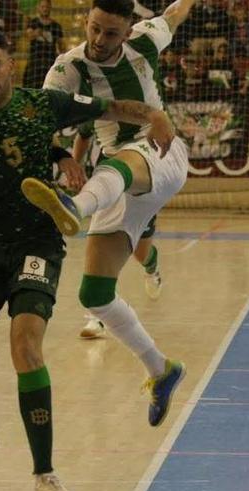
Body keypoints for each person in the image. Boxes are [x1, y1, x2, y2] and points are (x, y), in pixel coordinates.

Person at [0, 26, 175, 491]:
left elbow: (109, 107)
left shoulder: (42, 104)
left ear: (11, 65)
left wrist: (154, 114)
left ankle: (43, 472)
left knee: (25, 348)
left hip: (37, 242)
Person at [25, 0, 196, 427]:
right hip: (117, 174)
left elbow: (175, 14)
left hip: (161, 153)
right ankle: (161, 370)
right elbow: (37, 125)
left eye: (111, 33)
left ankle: (73, 207)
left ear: (128, 31)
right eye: (95, 29)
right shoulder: (66, 70)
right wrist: (61, 153)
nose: (100, 41)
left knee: (118, 164)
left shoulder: (147, 41)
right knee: (95, 295)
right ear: (87, 20)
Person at [69, 123, 163, 339]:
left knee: (141, 253)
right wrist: (75, 165)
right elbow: (83, 135)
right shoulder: (97, 102)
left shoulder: (144, 103)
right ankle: (97, 316)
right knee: (101, 243)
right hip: (109, 172)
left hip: (143, 171)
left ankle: (152, 266)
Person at [23, 0, 64, 88]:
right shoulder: (33, 22)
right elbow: (28, 36)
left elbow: (61, 46)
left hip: (49, 61)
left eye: (47, 7)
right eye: (42, 7)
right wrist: (36, 33)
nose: (45, 9)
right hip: (35, 62)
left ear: (50, 8)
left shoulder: (56, 26)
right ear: (38, 8)